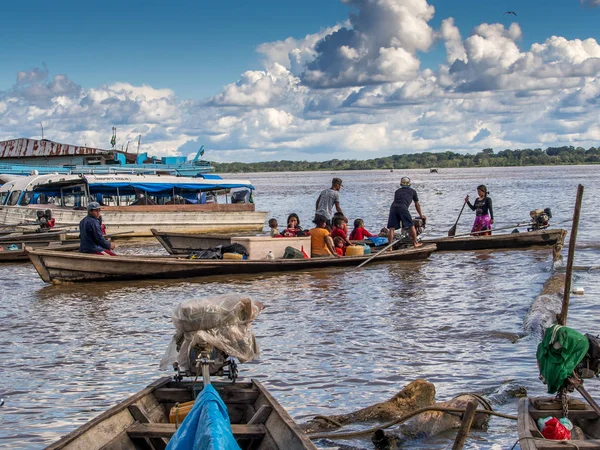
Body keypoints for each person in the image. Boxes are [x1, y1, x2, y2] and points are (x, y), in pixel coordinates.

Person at [387, 177, 426, 248]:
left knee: (391, 228)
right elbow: (417, 204)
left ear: (401, 184)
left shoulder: (397, 191)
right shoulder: (413, 191)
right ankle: (415, 243)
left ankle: (390, 247)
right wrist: (421, 215)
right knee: (411, 225)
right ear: (409, 184)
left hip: (393, 207)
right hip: (403, 207)